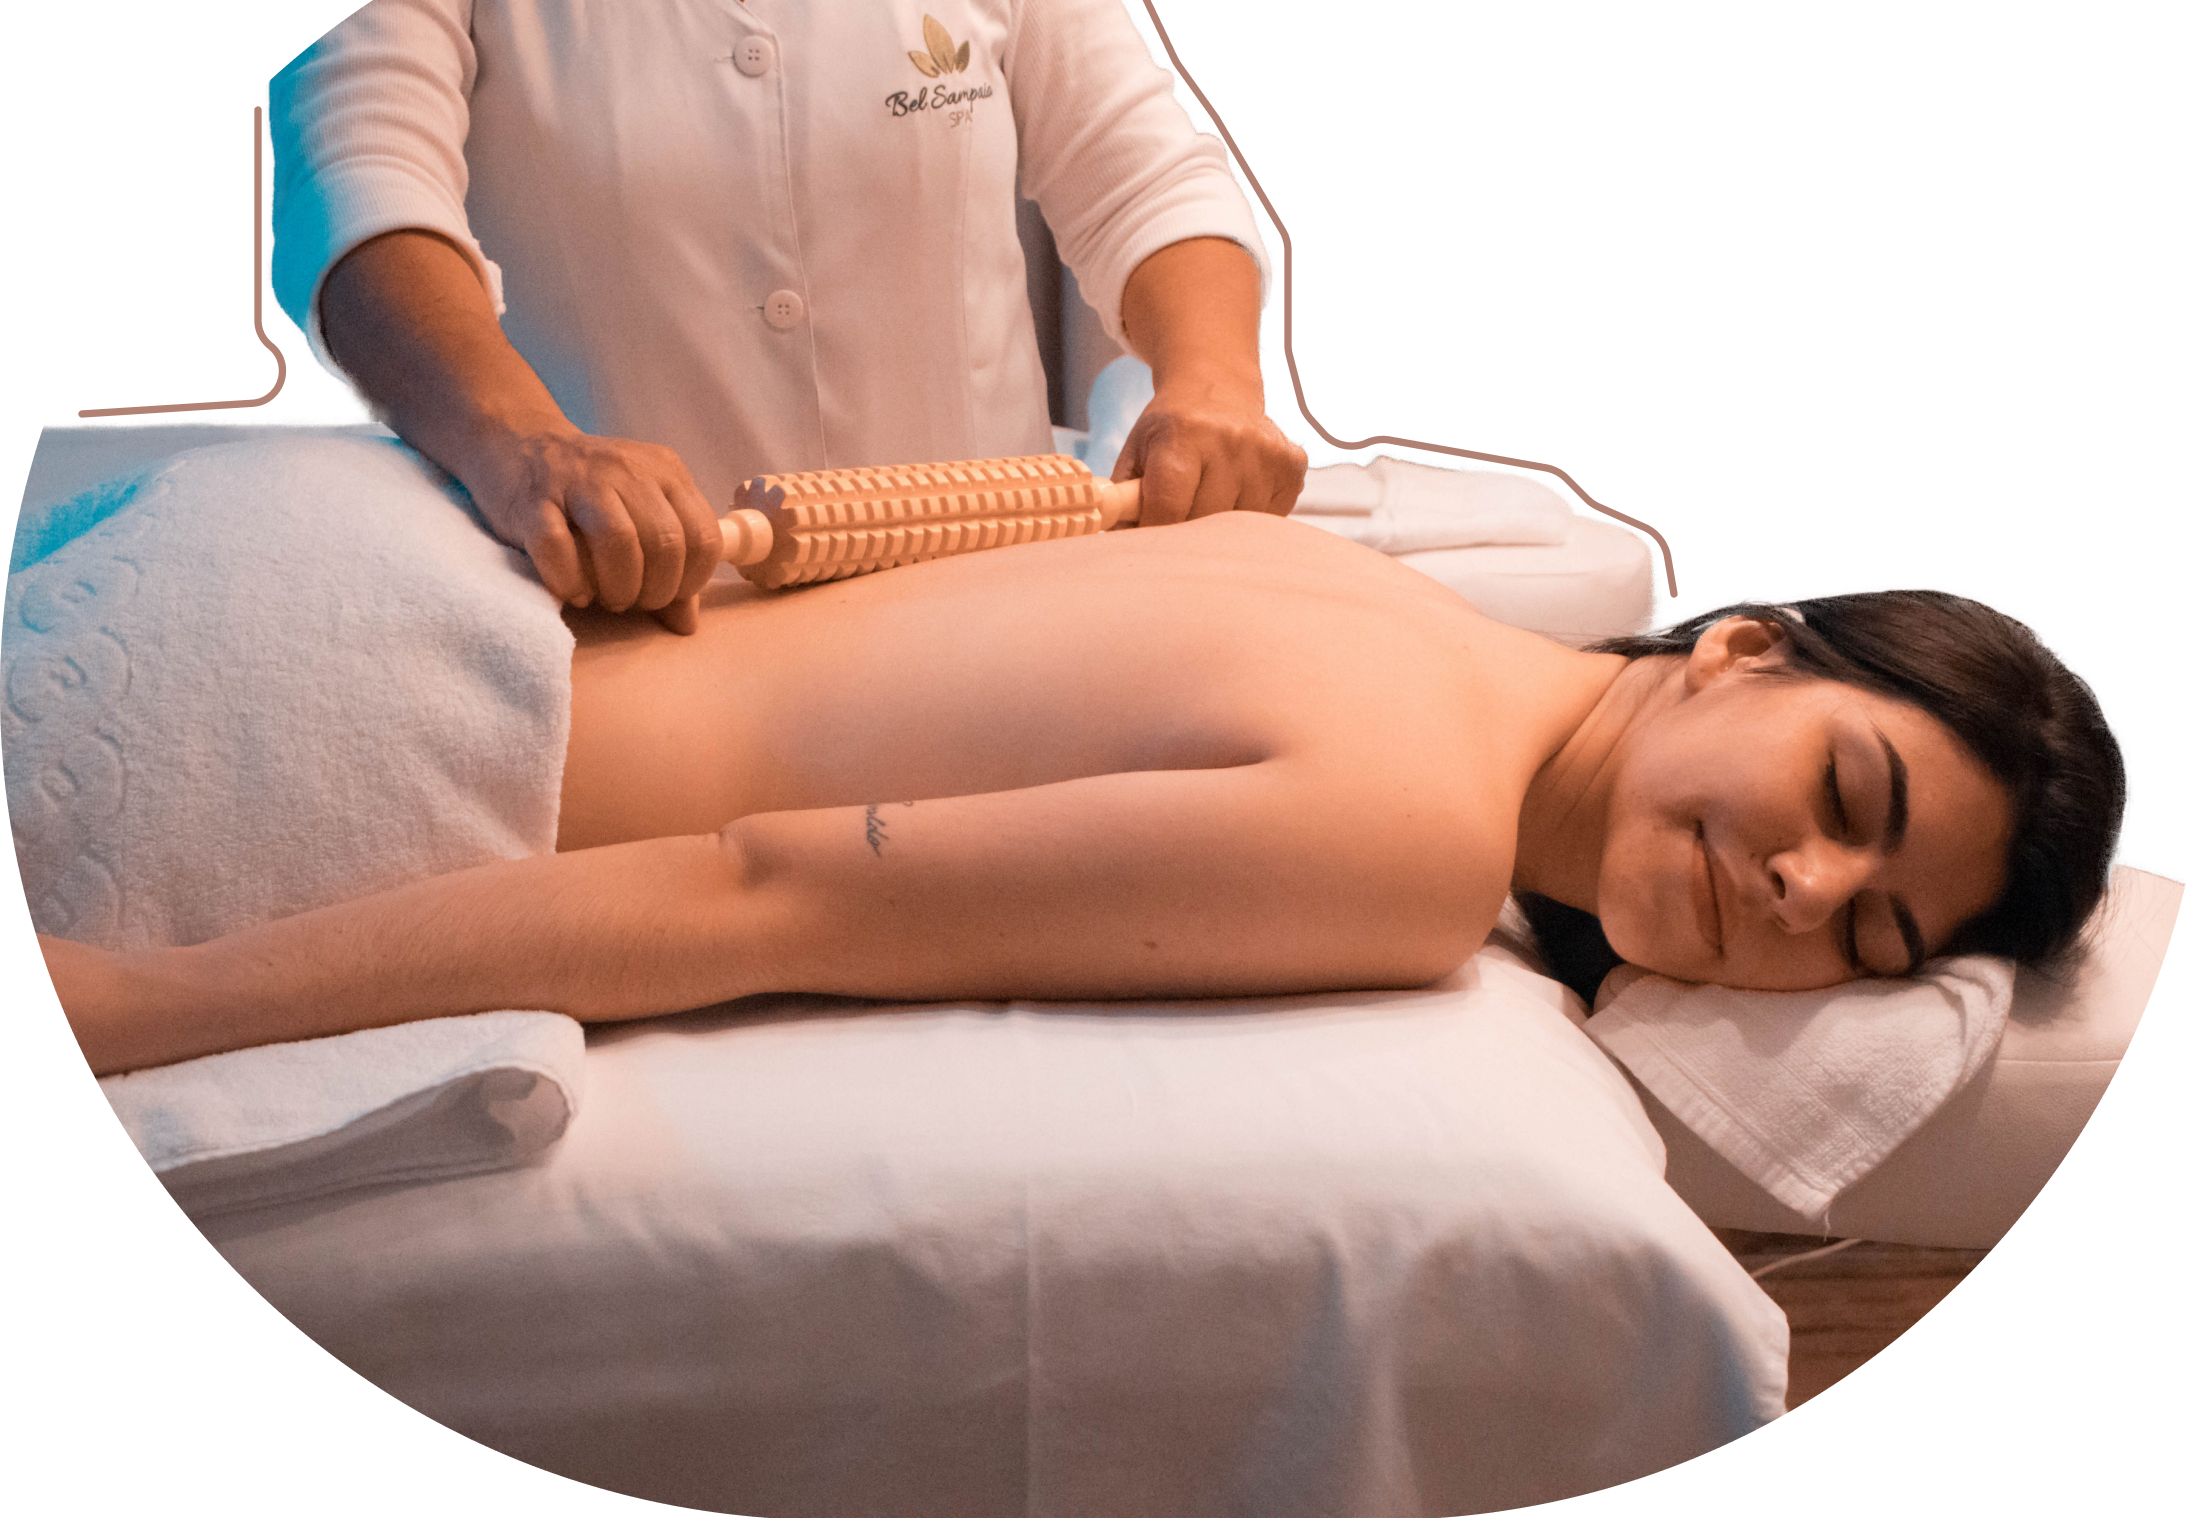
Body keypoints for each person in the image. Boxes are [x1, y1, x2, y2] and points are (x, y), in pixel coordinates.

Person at [41, 509, 2126, 1078]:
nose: (1802, 885)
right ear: (1743, 647)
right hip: (349, 733)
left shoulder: (1362, 585)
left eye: (1870, 930)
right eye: (1845, 792)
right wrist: (160, 1004)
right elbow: (763, 892)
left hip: (340, 579)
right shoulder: (1408, 840)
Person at [273, 0, 1307, 636]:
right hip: (650, 635)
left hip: (1001, 613)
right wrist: (525, 448)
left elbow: (1141, 177)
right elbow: (362, 198)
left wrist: (1214, 385)